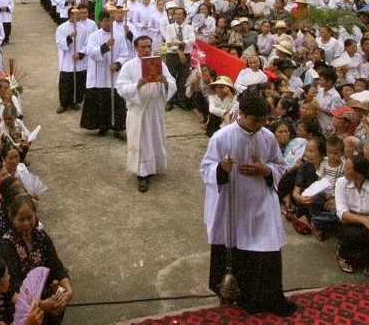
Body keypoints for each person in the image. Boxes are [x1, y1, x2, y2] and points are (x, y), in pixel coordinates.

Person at [199, 90, 298, 316]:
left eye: (264, 120)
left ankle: (268, 298)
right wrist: (220, 170)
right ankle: (235, 293)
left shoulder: (267, 136)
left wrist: (265, 170)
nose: (260, 124)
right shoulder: (221, 137)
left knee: (267, 247)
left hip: (261, 200)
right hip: (231, 202)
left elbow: (279, 165)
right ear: (241, 114)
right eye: (255, 120)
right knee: (234, 248)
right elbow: (206, 169)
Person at [0, 196, 72, 325]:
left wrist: (68, 292)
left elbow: (57, 267)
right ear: (12, 218)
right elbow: (13, 286)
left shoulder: (41, 237)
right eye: (21, 219)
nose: (26, 223)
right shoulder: (7, 245)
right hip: (21, 305)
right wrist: (41, 305)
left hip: (47, 298)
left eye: (29, 217)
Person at [115, 35, 176, 192]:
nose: (147, 49)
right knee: (142, 140)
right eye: (143, 47)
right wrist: (137, 85)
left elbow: (172, 82)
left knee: (155, 137)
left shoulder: (160, 64)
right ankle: (142, 174)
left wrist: (165, 82)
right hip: (139, 109)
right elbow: (120, 87)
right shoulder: (129, 66)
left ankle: (153, 166)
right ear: (136, 48)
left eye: (149, 46)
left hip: (155, 110)